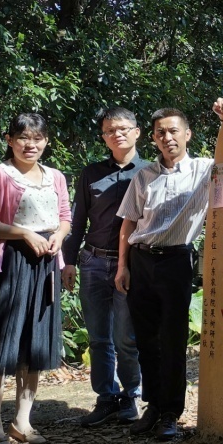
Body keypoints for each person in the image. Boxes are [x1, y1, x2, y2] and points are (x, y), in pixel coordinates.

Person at [114, 100, 223, 441]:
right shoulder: (144, 176)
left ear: (188, 134)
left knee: (173, 339)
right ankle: (152, 405)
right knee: (145, 340)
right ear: (153, 138)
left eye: (174, 131)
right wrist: (123, 266)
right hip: (140, 260)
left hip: (176, 261)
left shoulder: (205, 171)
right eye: (161, 133)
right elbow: (129, 224)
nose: (167, 138)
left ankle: (171, 413)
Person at [0, 113, 71, 444]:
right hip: (8, 265)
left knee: (34, 346)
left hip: (46, 266)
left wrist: (59, 237)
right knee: (0, 346)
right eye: (23, 138)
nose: (31, 144)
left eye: (38, 138)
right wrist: (24, 233)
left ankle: (22, 420)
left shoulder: (55, 176)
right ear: (10, 140)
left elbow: (66, 217)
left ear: (47, 141)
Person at [62, 107, 149, 427]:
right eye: (110, 131)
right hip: (93, 262)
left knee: (126, 336)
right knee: (99, 337)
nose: (117, 134)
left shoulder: (150, 172)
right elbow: (78, 219)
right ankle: (106, 397)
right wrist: (68, 261)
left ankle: (131, 395)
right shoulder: (91, 173)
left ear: (138, 132)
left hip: (132, 265)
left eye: (123, 128)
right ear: (104, 137)